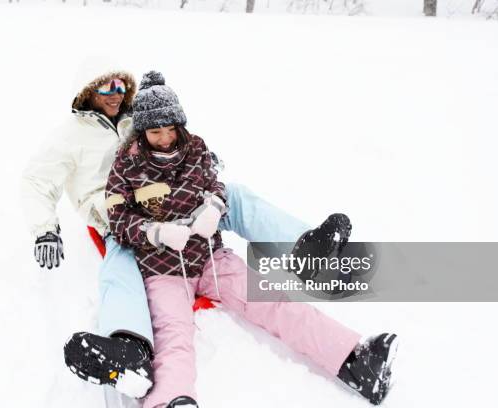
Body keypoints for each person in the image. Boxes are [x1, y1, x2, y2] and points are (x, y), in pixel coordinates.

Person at [21, 64, 356, 401]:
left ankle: (305, 250)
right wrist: (45, 229)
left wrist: (207, 186)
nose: (116, 93)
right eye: (105, 87)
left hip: (182, 203)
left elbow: (174, 135)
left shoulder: (134, 118)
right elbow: (37, 180)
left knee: (233, 194)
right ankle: (129, 345)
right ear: (86, 89)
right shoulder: (69, 136)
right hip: (126, 220)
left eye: (121, 84)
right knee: (119, 268)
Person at [99, 71, 399, 407]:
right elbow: (118, 218)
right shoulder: (125, 165)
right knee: (174, 336)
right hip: (163, 269)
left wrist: (213, 205)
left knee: (275, 303)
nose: (166, 138)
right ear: (141, 131)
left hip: (211, 258)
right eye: (156, 131)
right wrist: (155, 232)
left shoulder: (195, 147)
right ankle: (171, 399)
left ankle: (356, 360)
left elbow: (214, 184)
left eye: (171, 129)